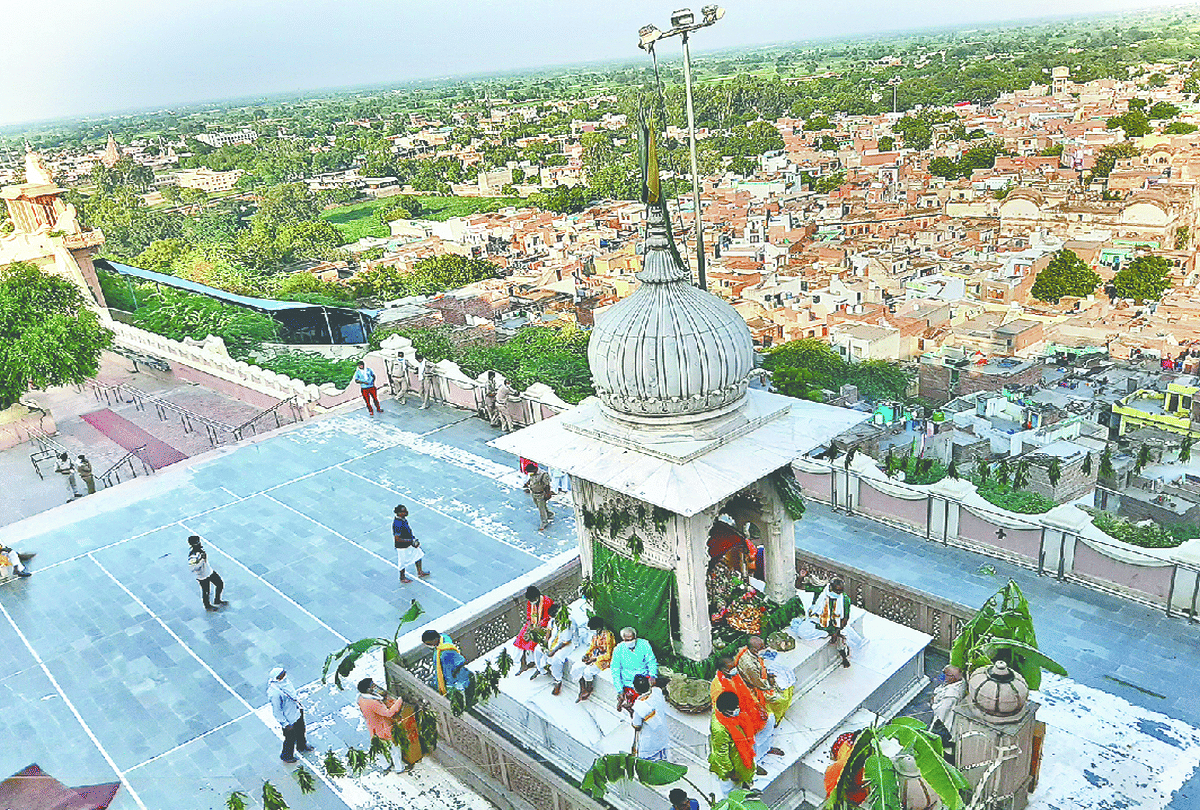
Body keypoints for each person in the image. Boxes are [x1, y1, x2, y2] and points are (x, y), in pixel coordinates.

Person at [710, 655, 782, 759]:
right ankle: (755, 762)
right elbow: (721, 709)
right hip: (737, 718)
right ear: (724, 670)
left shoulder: (734, 675)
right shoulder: (718, 686)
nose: (735, 669)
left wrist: (758, 705)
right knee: (750, 741)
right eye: (731, 667)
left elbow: (746, 691)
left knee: (770, 720)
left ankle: (766, 748)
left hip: (751, 710)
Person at [794, 575, 859, 668]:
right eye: (836, 591)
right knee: (801, 632)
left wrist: (836, 632)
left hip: (835, 624)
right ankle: (826, 633)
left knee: (842, 638)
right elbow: (799, 586)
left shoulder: (844, 599)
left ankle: (844, 657)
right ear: (830, 587)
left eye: (840, 591)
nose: (838, 593)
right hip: (817, 619)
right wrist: (801, 577)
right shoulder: (821, 590)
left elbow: (845, 618)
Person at [709, 691, 760, 797]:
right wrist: (730, 772)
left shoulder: (728, 717)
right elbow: (721, 753)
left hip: (740, 756)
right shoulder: (719, 729)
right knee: (730, 791)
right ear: (724, 710)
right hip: (732, 764)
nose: (736, 710)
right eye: (732, 709)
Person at [737, 635, 793, 723]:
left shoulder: (751, 653)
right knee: (782, 698)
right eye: (762, 648)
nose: (765, 649)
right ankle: (775, 720)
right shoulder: (749, 666)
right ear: (755, 650)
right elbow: (760, 684)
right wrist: (772, 682)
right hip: (755, 688)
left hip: (760, 678)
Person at [267, 667, 312, 763]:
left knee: (301, 731)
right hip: (289, 719)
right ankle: (286, 756)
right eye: (281, 675)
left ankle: (302, 746)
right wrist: (285, 724)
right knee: (290, 739)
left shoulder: (286, 683)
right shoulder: (275, 693)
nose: (284, 676)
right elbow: (277, 711)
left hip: (296, 712)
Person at [611, 627, 657, 716]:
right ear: (623, 639)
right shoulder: (618, 650)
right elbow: (615, 671)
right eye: (627, 640)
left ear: (635, 637)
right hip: (628, 681)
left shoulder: (644, 644)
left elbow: (651, 661)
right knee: (633, 701)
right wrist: (619, 690)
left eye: (631, 639)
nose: (630, 641)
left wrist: (653, 675)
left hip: (644, 678)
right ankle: (630, 707)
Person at [356, 677, 403, 765]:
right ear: (368, 690)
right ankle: (399, 767)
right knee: (394, 748)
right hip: (382, 727)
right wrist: (399, 701)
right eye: (372, 685)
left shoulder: (361, 699)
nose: (375, 686)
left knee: (380, 748)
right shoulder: (373, 702)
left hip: (373, 727)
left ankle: (385, 765)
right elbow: (388, 713)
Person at [532, 611, 576, 696]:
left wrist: (553, 651)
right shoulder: (553, 620)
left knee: (557, 659)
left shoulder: (567, 623)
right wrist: (545, 640)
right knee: (538, 649)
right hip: (555, 639)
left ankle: (558, 680)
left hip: (567, 644)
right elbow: (549, 629)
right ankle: (541, 669)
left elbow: (566, 641)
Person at [514, 586, 554, 675]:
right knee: (521, 637)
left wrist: (539, 626)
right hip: (533, 623)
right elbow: (529, 615)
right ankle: (523, 663)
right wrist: (529, 626)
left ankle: (537, 663)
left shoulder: (547, 601)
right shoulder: (530, 602)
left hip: (544, 625)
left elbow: (548, 617)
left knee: (534, 641)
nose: (531, 601)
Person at [630, 674, 669, 761]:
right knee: (662, 760)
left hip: (649, 742)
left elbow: (637, 725)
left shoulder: (639, 706)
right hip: (662, 735)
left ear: (635, 690)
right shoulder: (657, 691)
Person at [577, 616, 615, 702]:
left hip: (604, 660)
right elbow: (592, 647)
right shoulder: (595, 635)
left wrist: (594, 659)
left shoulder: (608, 636)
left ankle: (589, 689)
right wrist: (587, 655)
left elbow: (608, 654)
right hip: (594, 656)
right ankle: (582, 689)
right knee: (578, 667)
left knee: (588, 671)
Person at [930, 665, 965, 756]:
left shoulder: (951, 695)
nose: (943, 676)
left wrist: (934, 703)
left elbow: (941, 713)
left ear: (952, 677)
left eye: (946, 674)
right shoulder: (958, 682)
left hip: (945, 723)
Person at [422, 630, 471, 695]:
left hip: (456, 678)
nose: (430, 645)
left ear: (435, 640)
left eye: (429, 644)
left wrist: (449, 685)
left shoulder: (445, 652)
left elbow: (451, 671)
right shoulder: (444, 638)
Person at [187, 536, 226, 612]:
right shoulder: (193, 556)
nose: (199, 543)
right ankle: (207, 606)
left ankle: (217, 600)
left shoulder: (200, 549)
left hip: (209, 571)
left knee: (220, 584)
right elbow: (192, 568)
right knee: (206, 591)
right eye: (197, 542)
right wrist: (201, 561)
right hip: (202, 576)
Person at [392, 505, 429, 583]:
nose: (406, 512)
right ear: (399, 513)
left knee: (418, 554)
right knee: (402, 562)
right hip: (402, 546)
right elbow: (397, 539)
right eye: (404, 511)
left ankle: (420, 572)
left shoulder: (403, 519)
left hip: (409, 543)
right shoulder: (397, 523)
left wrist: (413, 539)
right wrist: (410, 541)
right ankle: (402, 577)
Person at [523, 462, 554, 531]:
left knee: (541, 509)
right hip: (534, 493)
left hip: (541, 494)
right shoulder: (532, 473)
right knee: (540, 506)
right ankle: (549, 514)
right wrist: (527, 483)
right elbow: (531, 479)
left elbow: (547, 485)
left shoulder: (543, 474)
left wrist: (548, 494)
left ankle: (544, 522)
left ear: (534, 469)